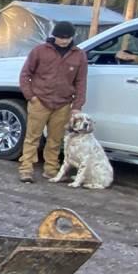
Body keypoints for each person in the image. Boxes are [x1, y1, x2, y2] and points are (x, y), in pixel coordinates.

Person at [18, 20, 88, 182]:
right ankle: (26, 168)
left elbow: (81, 82)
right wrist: (31, 97)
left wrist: (77, 106)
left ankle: (51, 169)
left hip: (63, 104)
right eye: (60, 37)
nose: (64, 40)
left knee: (55, 139)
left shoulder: (79, 55)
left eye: (67, 37)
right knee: (32, 137)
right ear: (54, 36)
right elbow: (25, 74)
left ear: (72, 37)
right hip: (40, 101)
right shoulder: (40, 51)